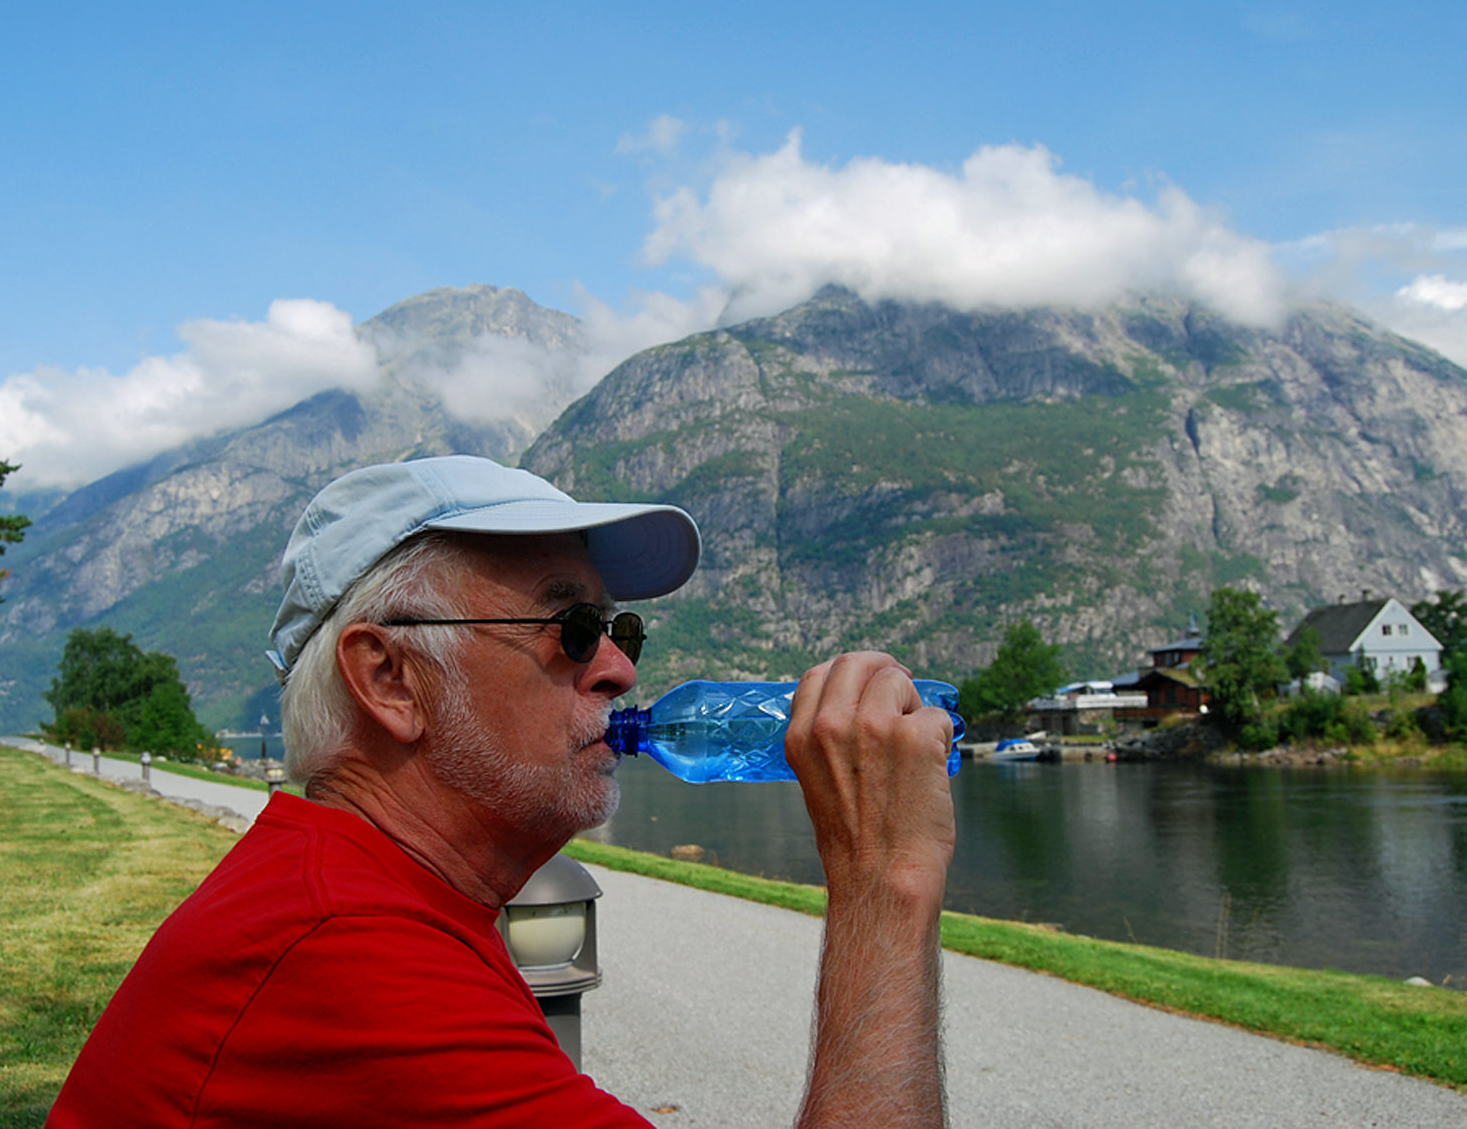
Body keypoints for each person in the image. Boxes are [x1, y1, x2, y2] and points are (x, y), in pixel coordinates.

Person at [47, 455, 957, 1128]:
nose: (620, 669)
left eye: (620, 628)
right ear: (391, 677)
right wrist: (888, 876)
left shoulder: (364, 896)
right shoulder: (349, 960)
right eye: (572, 626)